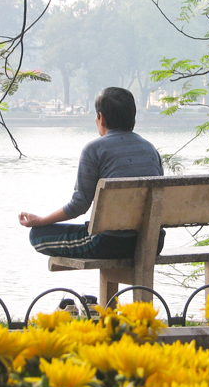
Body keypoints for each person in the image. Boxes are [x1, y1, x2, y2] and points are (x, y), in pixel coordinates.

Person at [18, 87, 165, 259]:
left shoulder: (94, 150)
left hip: (109, 243)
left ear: (101, 118)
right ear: (133, 116)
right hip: (152, 242)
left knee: (38, 235)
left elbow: (80, 205)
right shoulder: (150, 149)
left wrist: (41, 221)